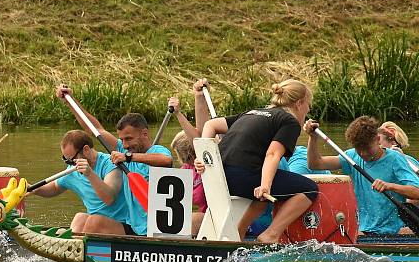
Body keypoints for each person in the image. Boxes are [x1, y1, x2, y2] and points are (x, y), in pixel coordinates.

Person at [196, 79, 317, 243]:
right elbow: (273, 154)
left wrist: (204, 157)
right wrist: (265, 186)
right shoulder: (290, 121)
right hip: (241, 176)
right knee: (309, 189)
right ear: (300, 103)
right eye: (308, 105)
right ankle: (271, 235)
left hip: (217, 176)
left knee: (261, 198)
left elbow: (211, 124)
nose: (308, 109)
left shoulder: (252, 112)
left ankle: (238, 234)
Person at [55, 85, 173, 236]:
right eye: (122, 140)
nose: (124, 145)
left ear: (144, 134)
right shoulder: (124, 149)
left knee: (95, 222)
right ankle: (70, 249)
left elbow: (166, 160)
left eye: (129, 139)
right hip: (134, 227)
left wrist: (128, 157)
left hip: (157, 230)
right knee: (84, 218)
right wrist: (70, 101)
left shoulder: (156, 151)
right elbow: (95, 129)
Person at [305, 116, 419, 235]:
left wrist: (390, 186)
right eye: (359, 149)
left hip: (392, 232)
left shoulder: (395, 159)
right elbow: (315, 164)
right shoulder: (351, 157)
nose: (363, 153)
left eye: (367, 148)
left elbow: (417, 191)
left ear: (378, 139)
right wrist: (312, 137)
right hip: (362, 231)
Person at [32, 130, 130, 235]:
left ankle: (76, 247)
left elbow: (109, 198)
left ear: (86, 150)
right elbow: (55, 187)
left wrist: (90, 174)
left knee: (95, 221)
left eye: (72, 160)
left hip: (122, 225)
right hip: (94, 225)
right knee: (80, 218)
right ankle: (70, 247)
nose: (70, 164)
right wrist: (34, 189)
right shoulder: (73, 170)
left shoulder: (110, 164)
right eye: (66, 160)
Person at [170, 130, 207, 236]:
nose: (180, 159)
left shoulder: (209, 165)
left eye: (182, 156)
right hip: (203, 214)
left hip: (216, 215)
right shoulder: (187, 169)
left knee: (190, 221)